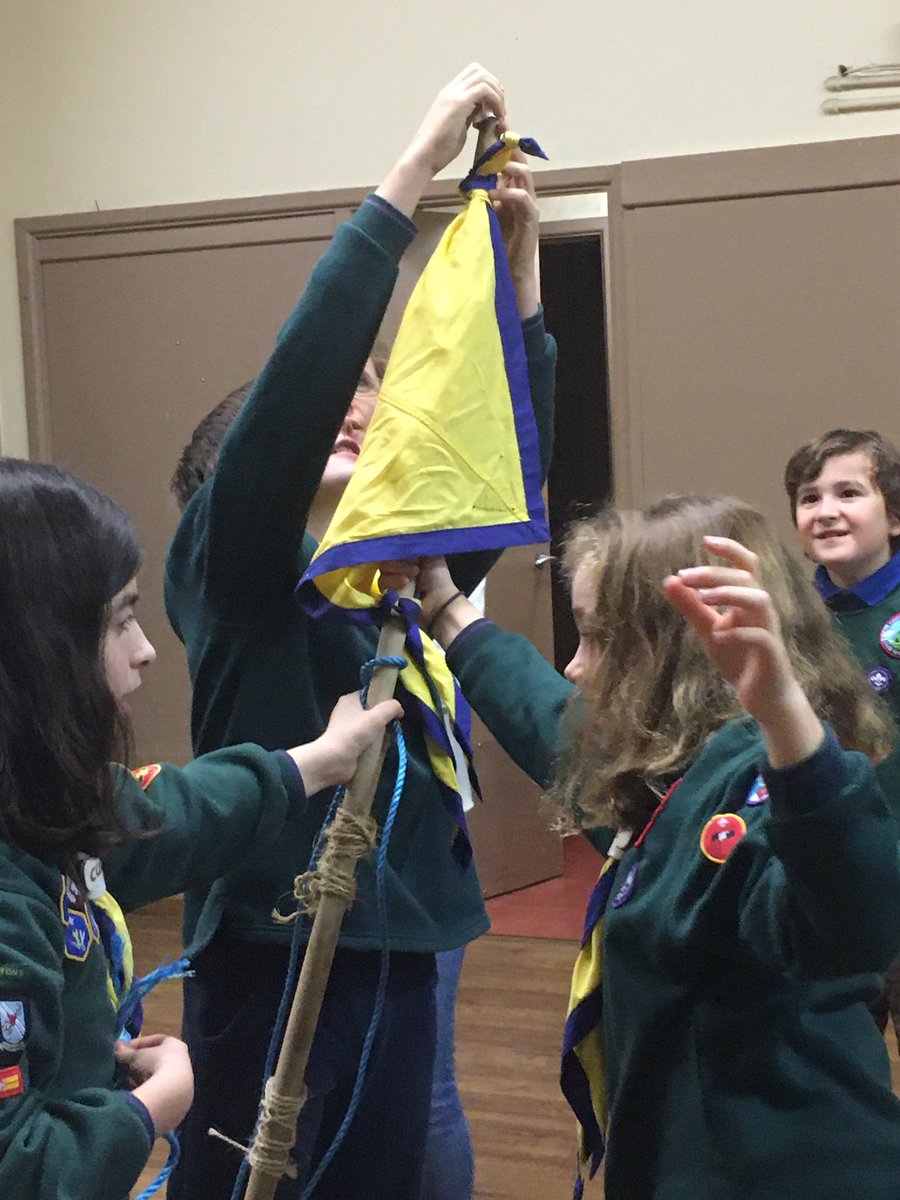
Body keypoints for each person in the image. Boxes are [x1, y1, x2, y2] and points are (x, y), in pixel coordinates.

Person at [164, 64, 555, 1199]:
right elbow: (295, 390)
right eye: (337, 390)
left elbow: (505, 468)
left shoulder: (400, 575)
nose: (356, 397)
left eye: (372, 386)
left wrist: (520, 271)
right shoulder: (236, 573)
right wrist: (410, 177)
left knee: (388, 1175)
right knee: (246, 1176)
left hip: (405, 938)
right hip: (273, 941)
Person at [414, 494, 900, 1200]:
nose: (576, 668)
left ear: (675, 649)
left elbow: (848, 927)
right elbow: (548, 720)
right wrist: (448, 613)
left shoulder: (754, 781)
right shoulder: (664, 779)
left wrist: (784, 715)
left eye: (597, 637)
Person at [0, 457, 399, 1200]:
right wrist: (150, 1109)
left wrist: (311, 764)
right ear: (35, 648)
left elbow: (163, 813)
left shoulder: (38, 799)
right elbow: (20, 1168)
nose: (146, 648)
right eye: (119, 620)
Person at [785, 426, 900, 1049]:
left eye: (849, 493)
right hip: (838, 877)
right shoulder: (793, 620)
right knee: (841, 1054)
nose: (826, 511)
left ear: (896, 516)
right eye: (809, 498)